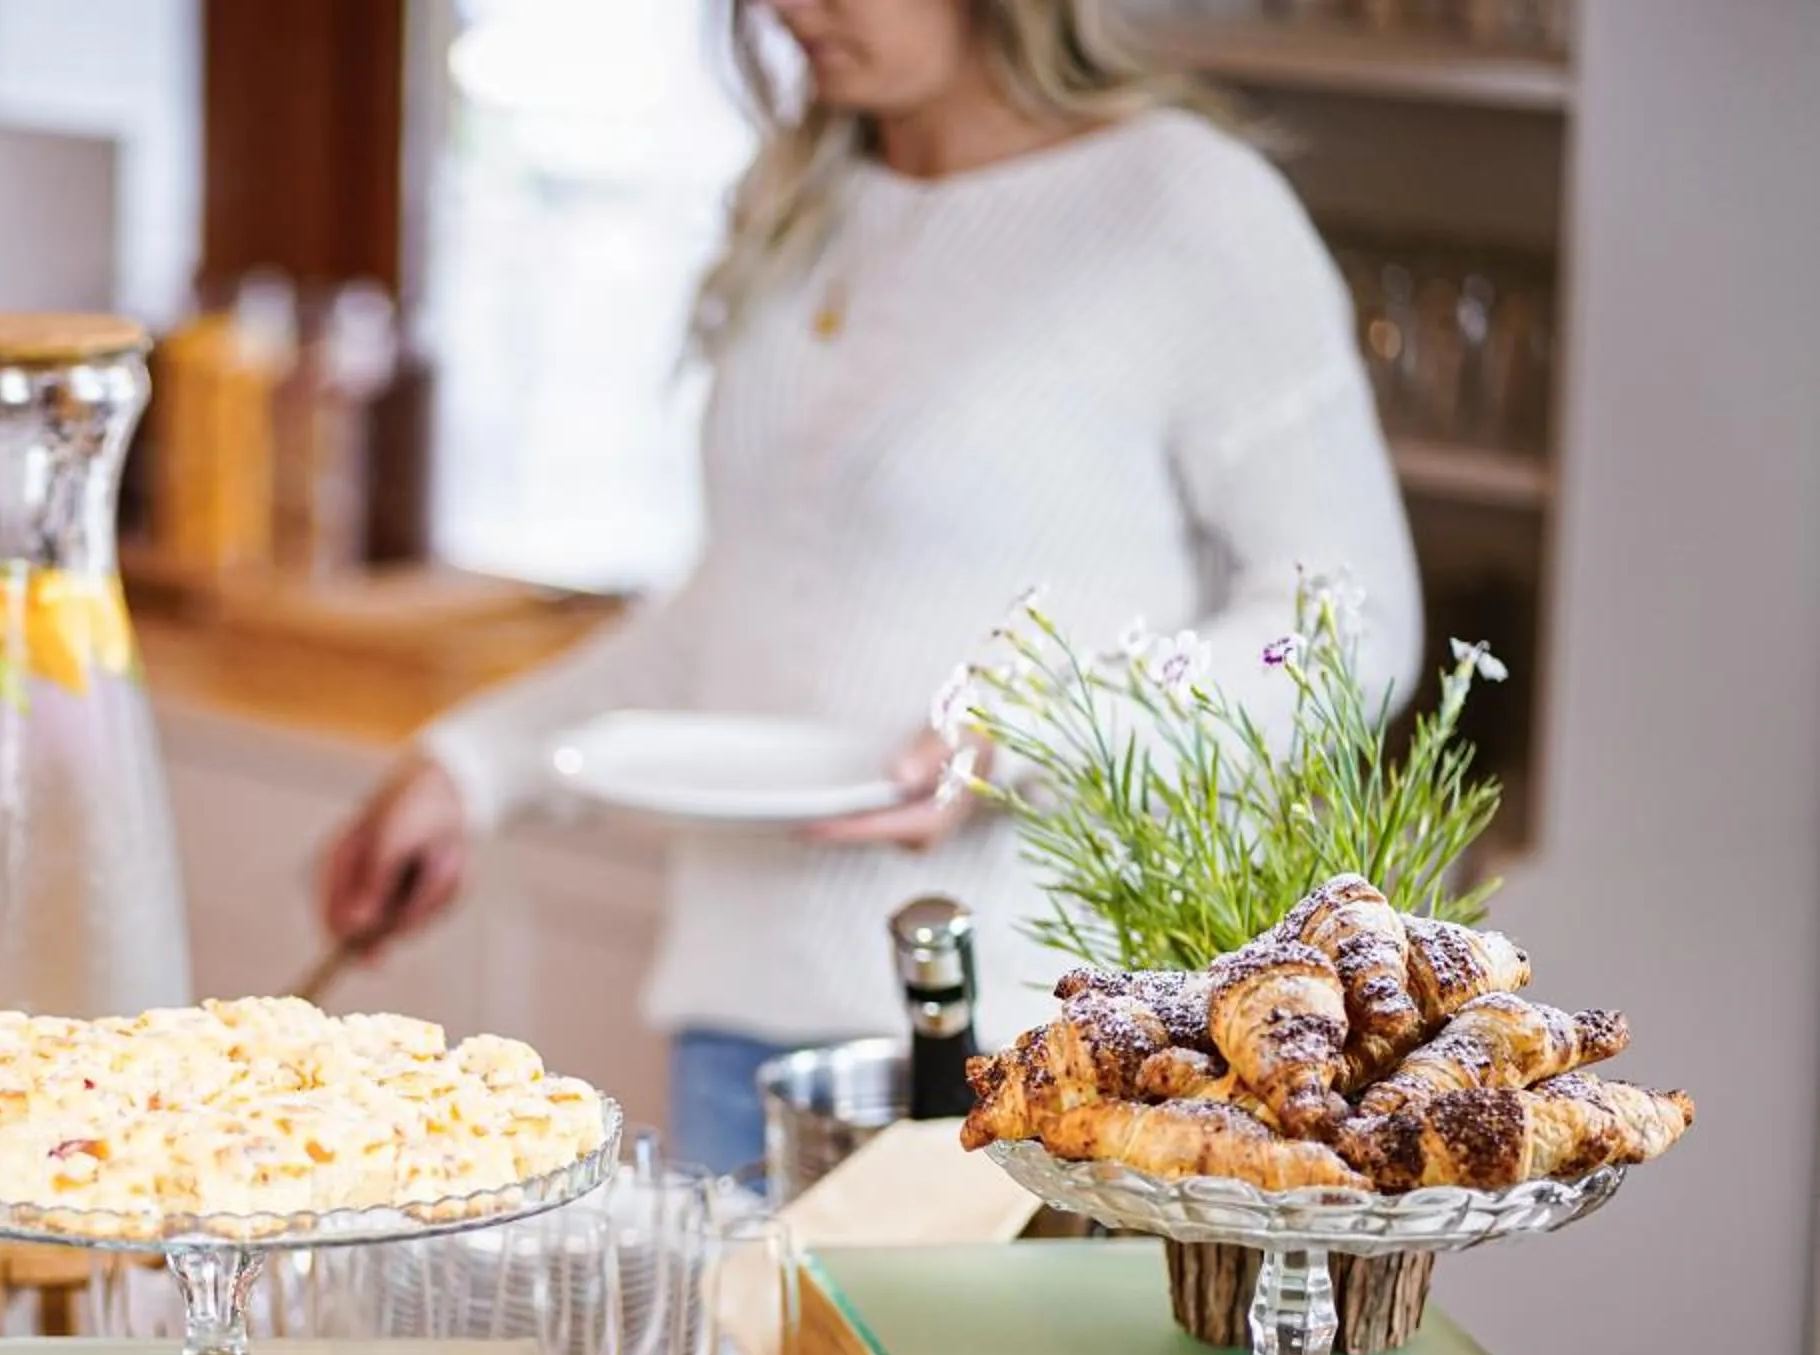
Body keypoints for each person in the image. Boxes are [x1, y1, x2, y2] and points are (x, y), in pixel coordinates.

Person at [317, 0, 1418, 1172]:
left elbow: (1352, 629)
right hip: (741, 1034)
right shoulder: (803, 197)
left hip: (1037, 1057)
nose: (790, 10)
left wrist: (1032, 733)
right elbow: (745, 603)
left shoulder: (1187, 207)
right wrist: (474, 764)